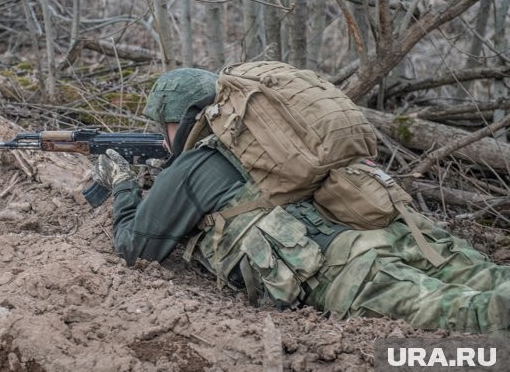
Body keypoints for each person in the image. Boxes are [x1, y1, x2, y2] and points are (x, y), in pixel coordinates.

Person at [91, 67, 510, 336]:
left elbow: (134, 248)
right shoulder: (274, 142)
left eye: (162, 127)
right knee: (492, 280)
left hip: (348, 272)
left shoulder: (195, 167)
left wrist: (124, 183)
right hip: (395, 232)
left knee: (474, 318)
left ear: (180, 122)